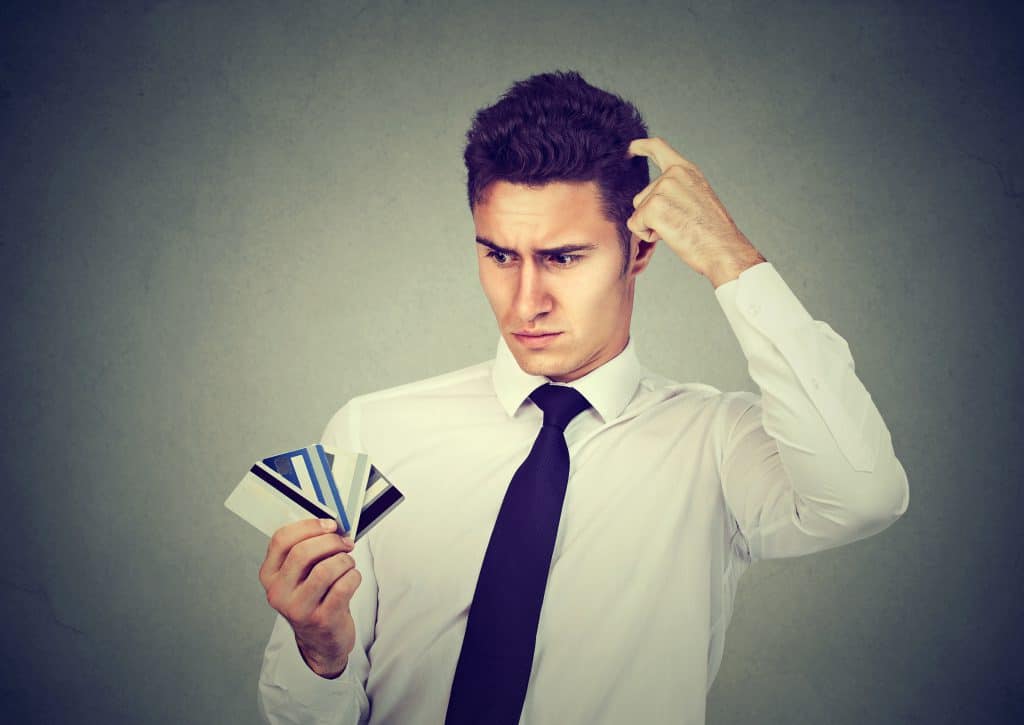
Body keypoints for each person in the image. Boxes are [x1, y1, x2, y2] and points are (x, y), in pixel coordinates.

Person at [254, 70, 910, 725]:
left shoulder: (717, 443)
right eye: (499, 255)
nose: (526, 301)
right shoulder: (366, 428)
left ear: (640, 247)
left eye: (564, 257)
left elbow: (864, 494)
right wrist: (321, 654)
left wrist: (730, 257)